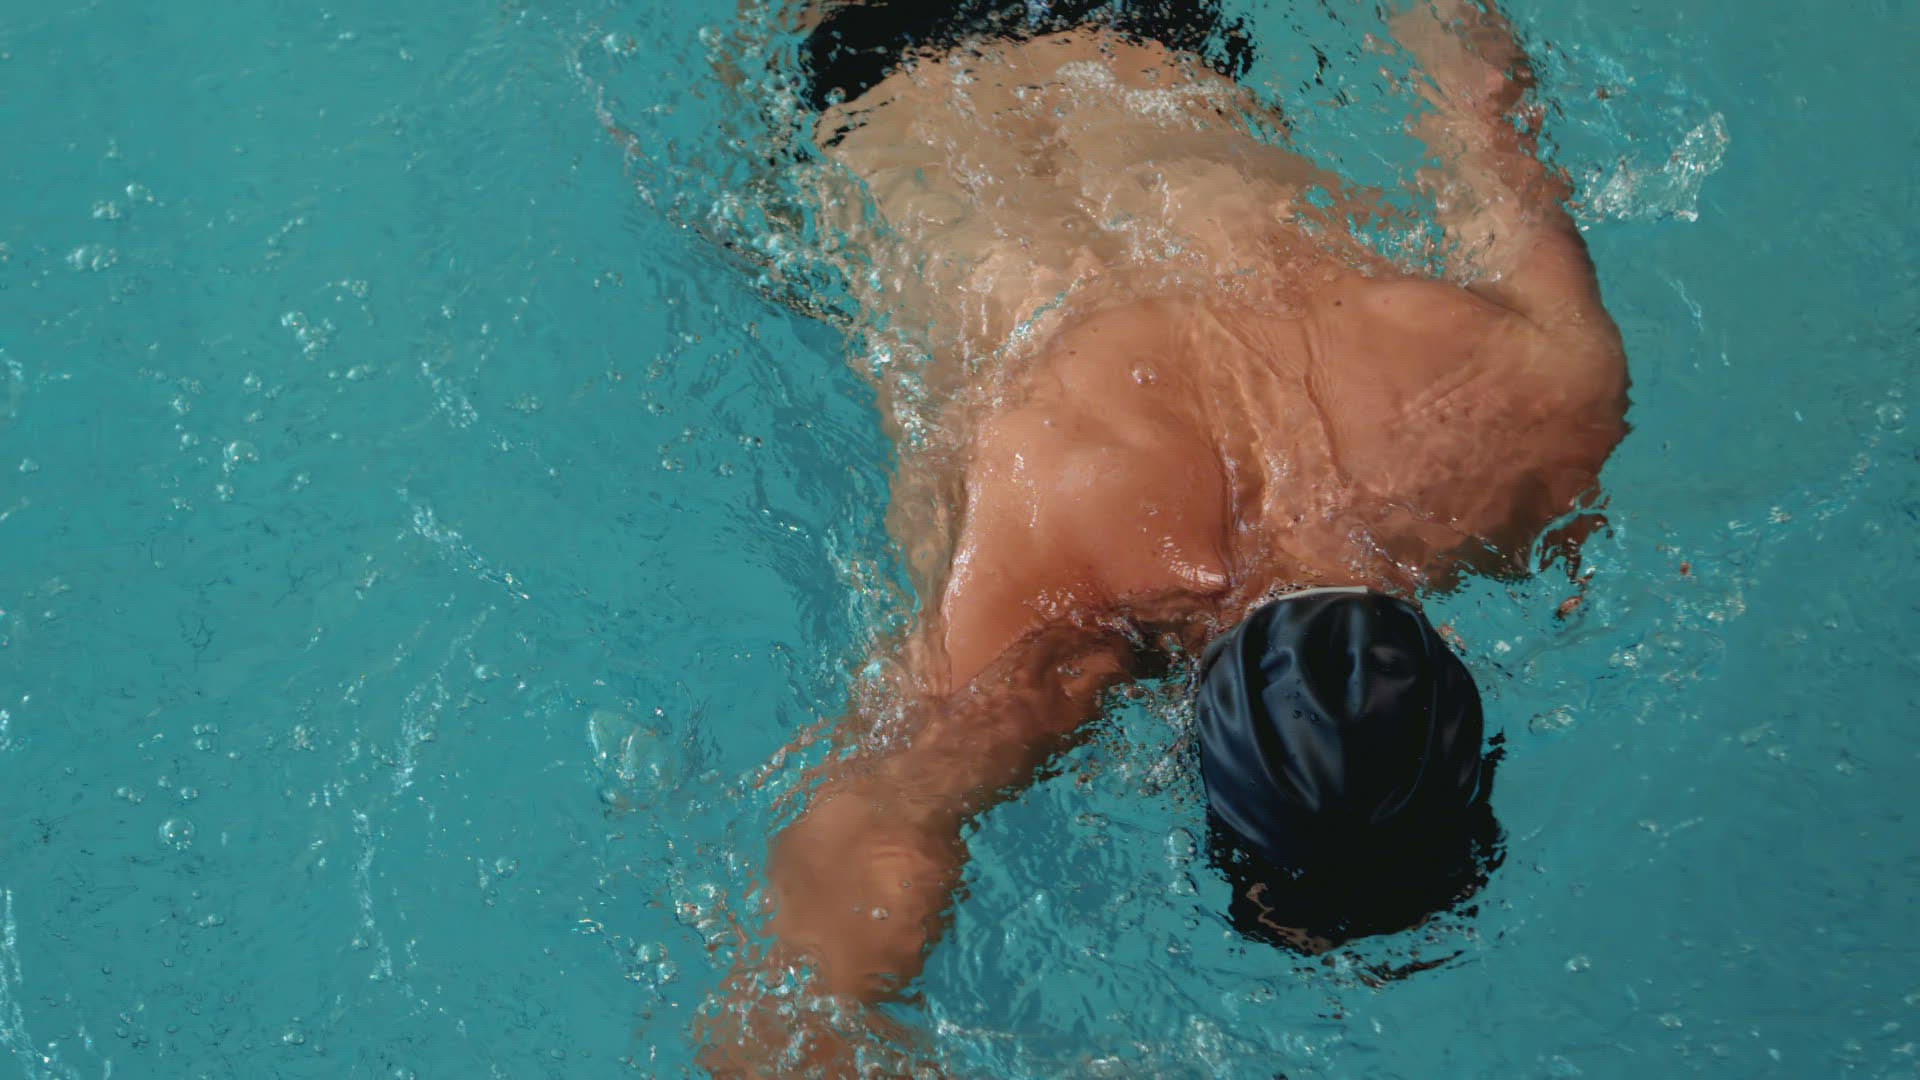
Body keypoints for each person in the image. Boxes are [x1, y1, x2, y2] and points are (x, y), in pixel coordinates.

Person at [700, 0, 1627, 1072]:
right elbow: (803, 970)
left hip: (1145, 33)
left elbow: (1483, 91)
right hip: (870, 80)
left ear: (1453, 671)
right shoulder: (1059, 625)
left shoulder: (1538, 412)